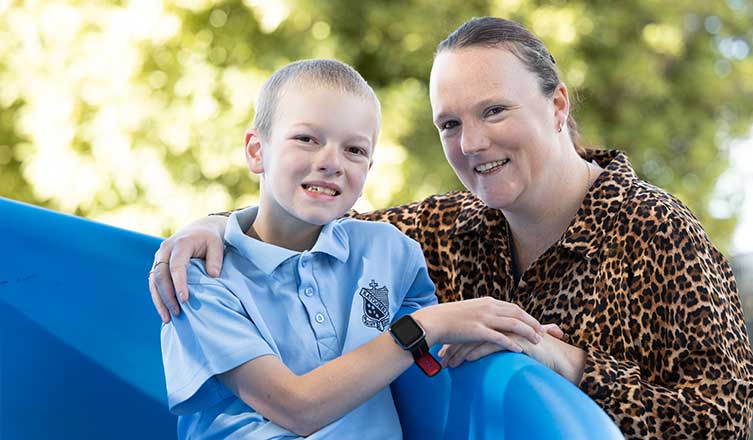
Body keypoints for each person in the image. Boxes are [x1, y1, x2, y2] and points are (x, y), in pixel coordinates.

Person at [150, 17, 753, 439]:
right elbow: (306, 227)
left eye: (494, 110)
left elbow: (723, 420)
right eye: (449, 124)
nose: (471, 143)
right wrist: (211, 225)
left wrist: (566, 361)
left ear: (557, 106)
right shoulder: (440, 230)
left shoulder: (655, 233)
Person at [159, 58, 557, 439]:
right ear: (256, 151)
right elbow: (296, 409)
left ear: (369, 168)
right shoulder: (200, 276)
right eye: (307, 139)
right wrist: (427, 325)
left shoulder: (389, 252)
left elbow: (430, 361)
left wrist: (514, 338)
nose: (331, 162)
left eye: (354, 150)